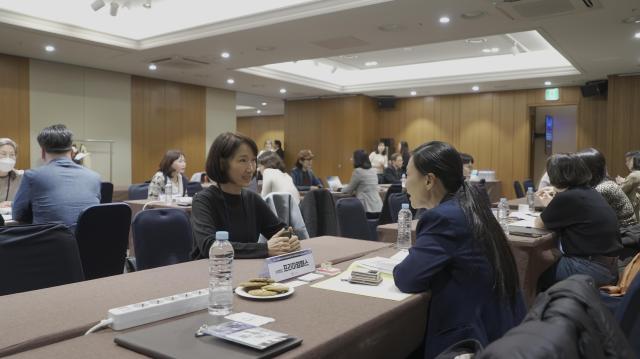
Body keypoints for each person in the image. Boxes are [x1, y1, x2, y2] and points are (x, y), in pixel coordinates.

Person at [393, 141, 525, 359]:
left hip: (470, 341)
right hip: (502, 329)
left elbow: (406, 278)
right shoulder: (471, 203)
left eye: (407, 175)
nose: (404, 185)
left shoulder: (444, 217)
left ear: (429, 180)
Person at [190, 132, 300, 259]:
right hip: (211, 273)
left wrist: (290, 239)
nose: (250, 168)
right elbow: (210, 246)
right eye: (243, 160)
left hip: (247, 272)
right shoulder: (203, 200)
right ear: (222, 164)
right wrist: (265, 248)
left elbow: (281, 230)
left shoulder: (252, 199)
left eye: (253, 161)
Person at [536, 153, 622, 290]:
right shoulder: (589, 192)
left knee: (534, 271)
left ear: (554, 175)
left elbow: (539, 224)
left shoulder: (568, 197)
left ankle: (544, 310)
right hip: (610, 267)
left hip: (590, 268)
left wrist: (549, 205)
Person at [12, 124, 100, 229]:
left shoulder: (32, 176)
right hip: (90, 242)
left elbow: (17, 215)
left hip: (49, 242)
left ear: (43, 152)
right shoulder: (94, 177)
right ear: (72, 152)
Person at [577, 148, 640, 273]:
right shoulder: (603, 184)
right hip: (619, 238)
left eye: (578, 167)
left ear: (588, 169)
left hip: (621, 245)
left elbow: (578, 212)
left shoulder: (603, 188)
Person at [340, 149, 383, 214]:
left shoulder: (358, 171)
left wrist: (340, 189)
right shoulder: (373, 171)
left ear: (357, 159)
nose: (351, 159)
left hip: (366, 208)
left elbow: (348, 190)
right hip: (378, 206)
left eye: (353, 158)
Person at [0, 138, 24, 208]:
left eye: (12, 154)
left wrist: (14, 204)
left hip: (13, 218)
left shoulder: (21, 177)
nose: (8, 158)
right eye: (3, 154)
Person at [617, 151, 640, 221]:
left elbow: (619, 192)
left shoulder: (633, 176)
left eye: (628, 160)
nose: (626, 163)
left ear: (635, 160)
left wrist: (620, 182)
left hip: (635, 214)